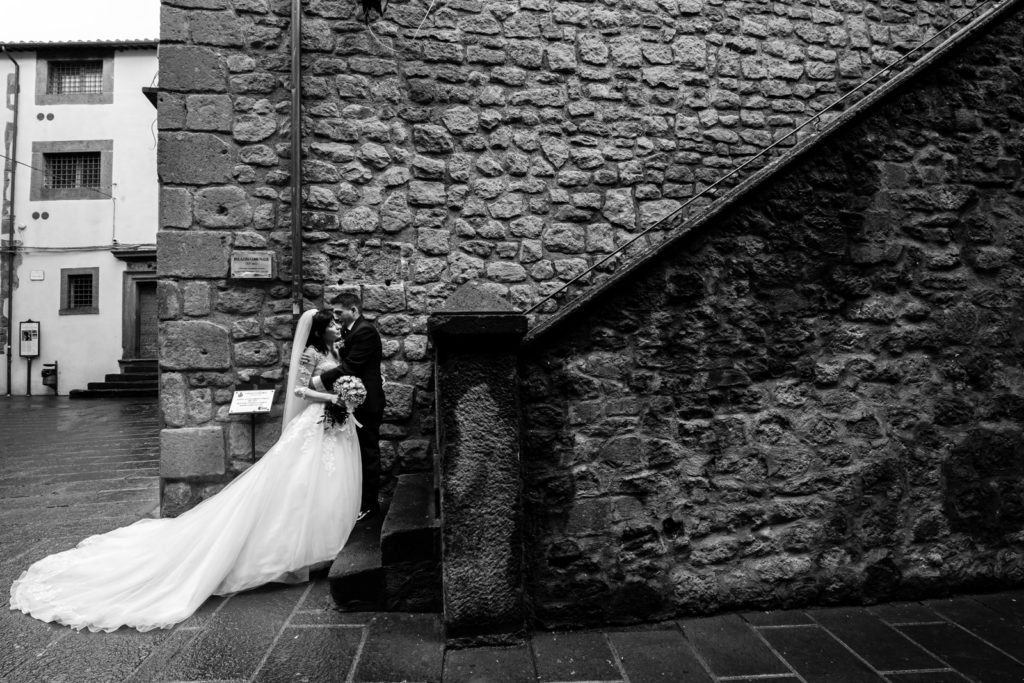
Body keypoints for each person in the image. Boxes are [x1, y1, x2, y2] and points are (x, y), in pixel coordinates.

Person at [8, 308, 362, 633]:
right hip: (317, 421)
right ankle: (295, 550)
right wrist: (333, 396)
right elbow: (300, 388)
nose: (336, 328)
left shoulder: (334, 353)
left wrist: (343, 396)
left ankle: (323, 545)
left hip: (332, 424)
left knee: (322, 483)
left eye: (335, 324)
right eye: (330, 324)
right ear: (318, 331)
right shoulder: (310, 354)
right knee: (299, 482)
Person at [320, 293, 384, 518]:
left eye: (339, 312)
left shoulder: (364, 330)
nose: (335, 317)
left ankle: (369, 505)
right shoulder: (350, 331)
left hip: (366, 403)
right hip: (352, 401)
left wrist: (319, 381)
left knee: (368, 453)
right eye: (334, 313)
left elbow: (351, 367)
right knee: (353, 453)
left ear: (354, 310)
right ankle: (356, 498)